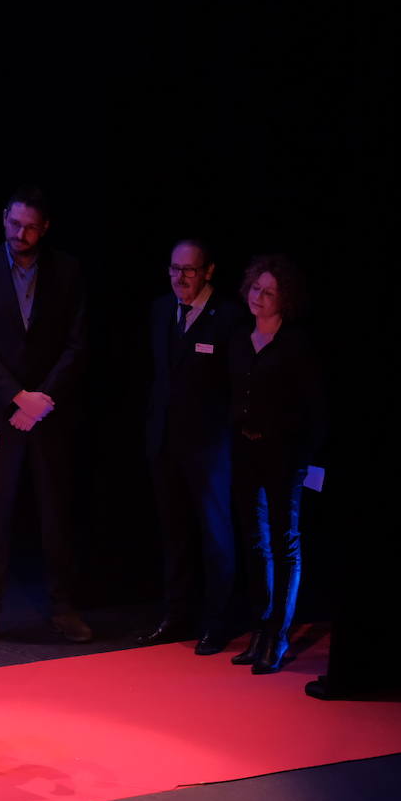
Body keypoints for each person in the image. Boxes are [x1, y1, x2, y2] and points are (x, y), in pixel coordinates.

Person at [0, 186, 90, 646]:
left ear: (45, 227)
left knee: (57, 513)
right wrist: (18, 397)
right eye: (15, 224)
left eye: (31, 226)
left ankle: (63, 608)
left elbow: (78, 344)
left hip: (51, 414)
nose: (21, 233)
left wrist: (42, 399)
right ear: (4, 220)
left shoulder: (69, 271)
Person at [140, 240, 250, 654]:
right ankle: (177, 615)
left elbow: (236, 385)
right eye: (174, 268)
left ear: (208, 271)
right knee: (174, 533)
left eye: (189, 270)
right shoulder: (160, 310)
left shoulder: (230, 318)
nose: (179, 277)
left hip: (209, 447)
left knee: (215, 535)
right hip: (165, 441)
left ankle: (217, 622)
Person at [227, 255, 325, 674]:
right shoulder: (238, 339)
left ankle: (278, 636)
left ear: (285, 299)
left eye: (269, 292)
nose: (259, 297)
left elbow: (314, 407)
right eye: (255, 288)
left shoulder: (297, 343)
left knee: (285, 542)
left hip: (285, 455)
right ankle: (261, 629)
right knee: (255, 542)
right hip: (246, 451)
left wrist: (312, 461)